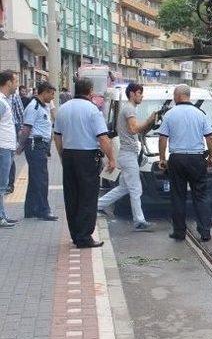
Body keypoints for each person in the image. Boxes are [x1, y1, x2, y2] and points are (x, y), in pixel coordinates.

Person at [53, 78, 116, 248]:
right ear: (90, 91)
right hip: (87, 157)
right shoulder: (92, 110)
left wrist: (61, 155)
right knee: (88, 196)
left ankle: (75, 234)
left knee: (72, 195)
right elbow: (102, 137)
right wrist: (111, 158)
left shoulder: (63, 109)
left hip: (69, 155)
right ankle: (85, 237)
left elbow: (57, 136)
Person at [158, 85, 212, 242]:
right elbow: (210, 138)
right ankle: (205, 231)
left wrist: (162, 158)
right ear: (188, 96)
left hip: (177, 159)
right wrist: (211, 157)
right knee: (201, 195)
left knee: (178, 195)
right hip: (197, 159)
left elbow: (163, 138)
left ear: (177, 96)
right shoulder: (200, 114)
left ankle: (179, 231)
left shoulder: (170, 114)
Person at [97, 83, 156, 231]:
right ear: (131, 94)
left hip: (127, 154)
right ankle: (139, 221)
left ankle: (97, 205)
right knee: (136, 189)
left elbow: (136, 131)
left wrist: (150, 124)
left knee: (124, 188)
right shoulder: (129, 109)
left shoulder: (129, 109)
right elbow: (134, 128)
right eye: (139, 93)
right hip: (128, 155)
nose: (141, 96)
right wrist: (148, 120)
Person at [18, 82, 58, 221]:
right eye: (51, 94)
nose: (52, 97)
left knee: (35, 178)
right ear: (44, 92)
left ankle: (31, 209)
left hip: (40, 145)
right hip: (35, 145)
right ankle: (43, 210)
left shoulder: (43, 106)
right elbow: (26, 128)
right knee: (41, 179)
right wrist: (20, 146)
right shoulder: (34, 107)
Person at [0, 71, 20, 228]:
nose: (17, 85)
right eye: (15, 81)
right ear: (8, 83)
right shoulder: (1, 101)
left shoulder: (5, 100)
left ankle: (2, 215)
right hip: (2, 148)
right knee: (1, 184)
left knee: (3, 184)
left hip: (6, 147)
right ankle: (1, 217)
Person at [6, 86, 25, 194]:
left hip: (12, 127)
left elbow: (21, 115)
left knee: (9, 156)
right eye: (15, 82)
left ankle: (10, 184)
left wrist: (21, 131)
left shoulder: (14, 96)